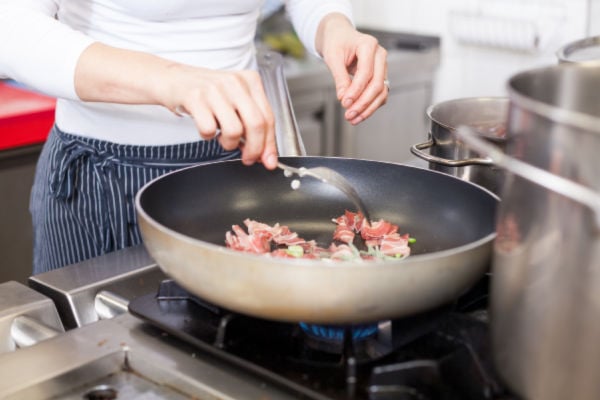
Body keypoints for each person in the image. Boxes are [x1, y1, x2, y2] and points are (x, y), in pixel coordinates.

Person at [0, 1, 389, 274]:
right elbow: (10, 30)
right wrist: (171, 77)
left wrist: (334, 27)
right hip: (102, 179)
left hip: (241, 169)